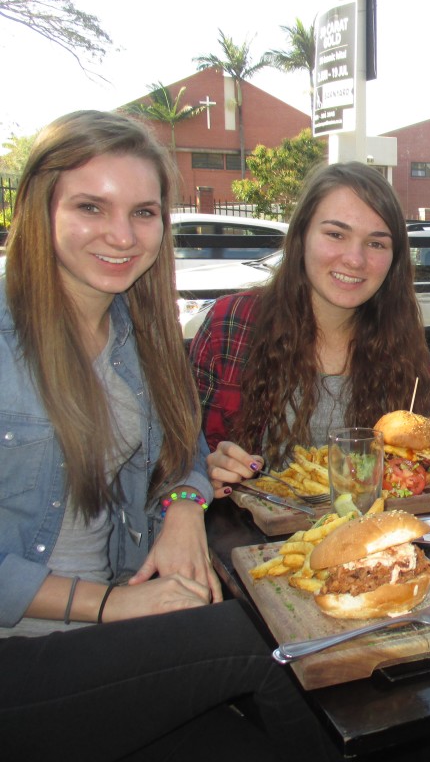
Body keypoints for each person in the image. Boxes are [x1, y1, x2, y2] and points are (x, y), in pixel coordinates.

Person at [0, 110, 333, 760]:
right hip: (27, 654)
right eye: (92, 207)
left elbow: (186, 448)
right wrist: (108, 608)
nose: (121, 235)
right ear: (40, 208)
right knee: (264, 640)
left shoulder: (139, 332)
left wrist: (185, 506)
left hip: (108, 640)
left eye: (144, 213)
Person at [190, 161, 430, 497]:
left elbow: (410, 477)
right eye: (336, 234)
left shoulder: (402, 342)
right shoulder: (230, 324)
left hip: (369, 543)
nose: (355, 259)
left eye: (376, 243)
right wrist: (205, 471)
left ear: (394, 259)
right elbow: (174, 464)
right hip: (250, 542)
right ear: (301, 236)